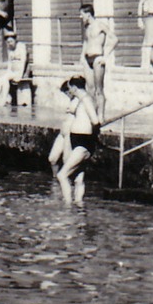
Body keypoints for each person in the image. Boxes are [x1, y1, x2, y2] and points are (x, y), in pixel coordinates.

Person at [52, 76, 101, 207]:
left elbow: (95, 121)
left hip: (83, 143)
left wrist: (94, 140)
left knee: (62, 175)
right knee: (78, 178)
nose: (69, 90)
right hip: (78, 141)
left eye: (70, 87)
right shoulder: (82, 99)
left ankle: (68, 205)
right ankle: (79, 206)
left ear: (74, 88)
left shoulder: (86, 100)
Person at [79, 3, 116, 116]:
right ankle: (92, 114)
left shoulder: (100, 25)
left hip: (97, 58)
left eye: (82, 15)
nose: (80, 17)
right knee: (89, 89)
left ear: (88, 14)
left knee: (99, 89)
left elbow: (114, 39)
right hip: (87, 58)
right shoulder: (87, 27)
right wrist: (82, 55)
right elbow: (86, 41)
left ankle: (101, 116)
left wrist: (105, 56)